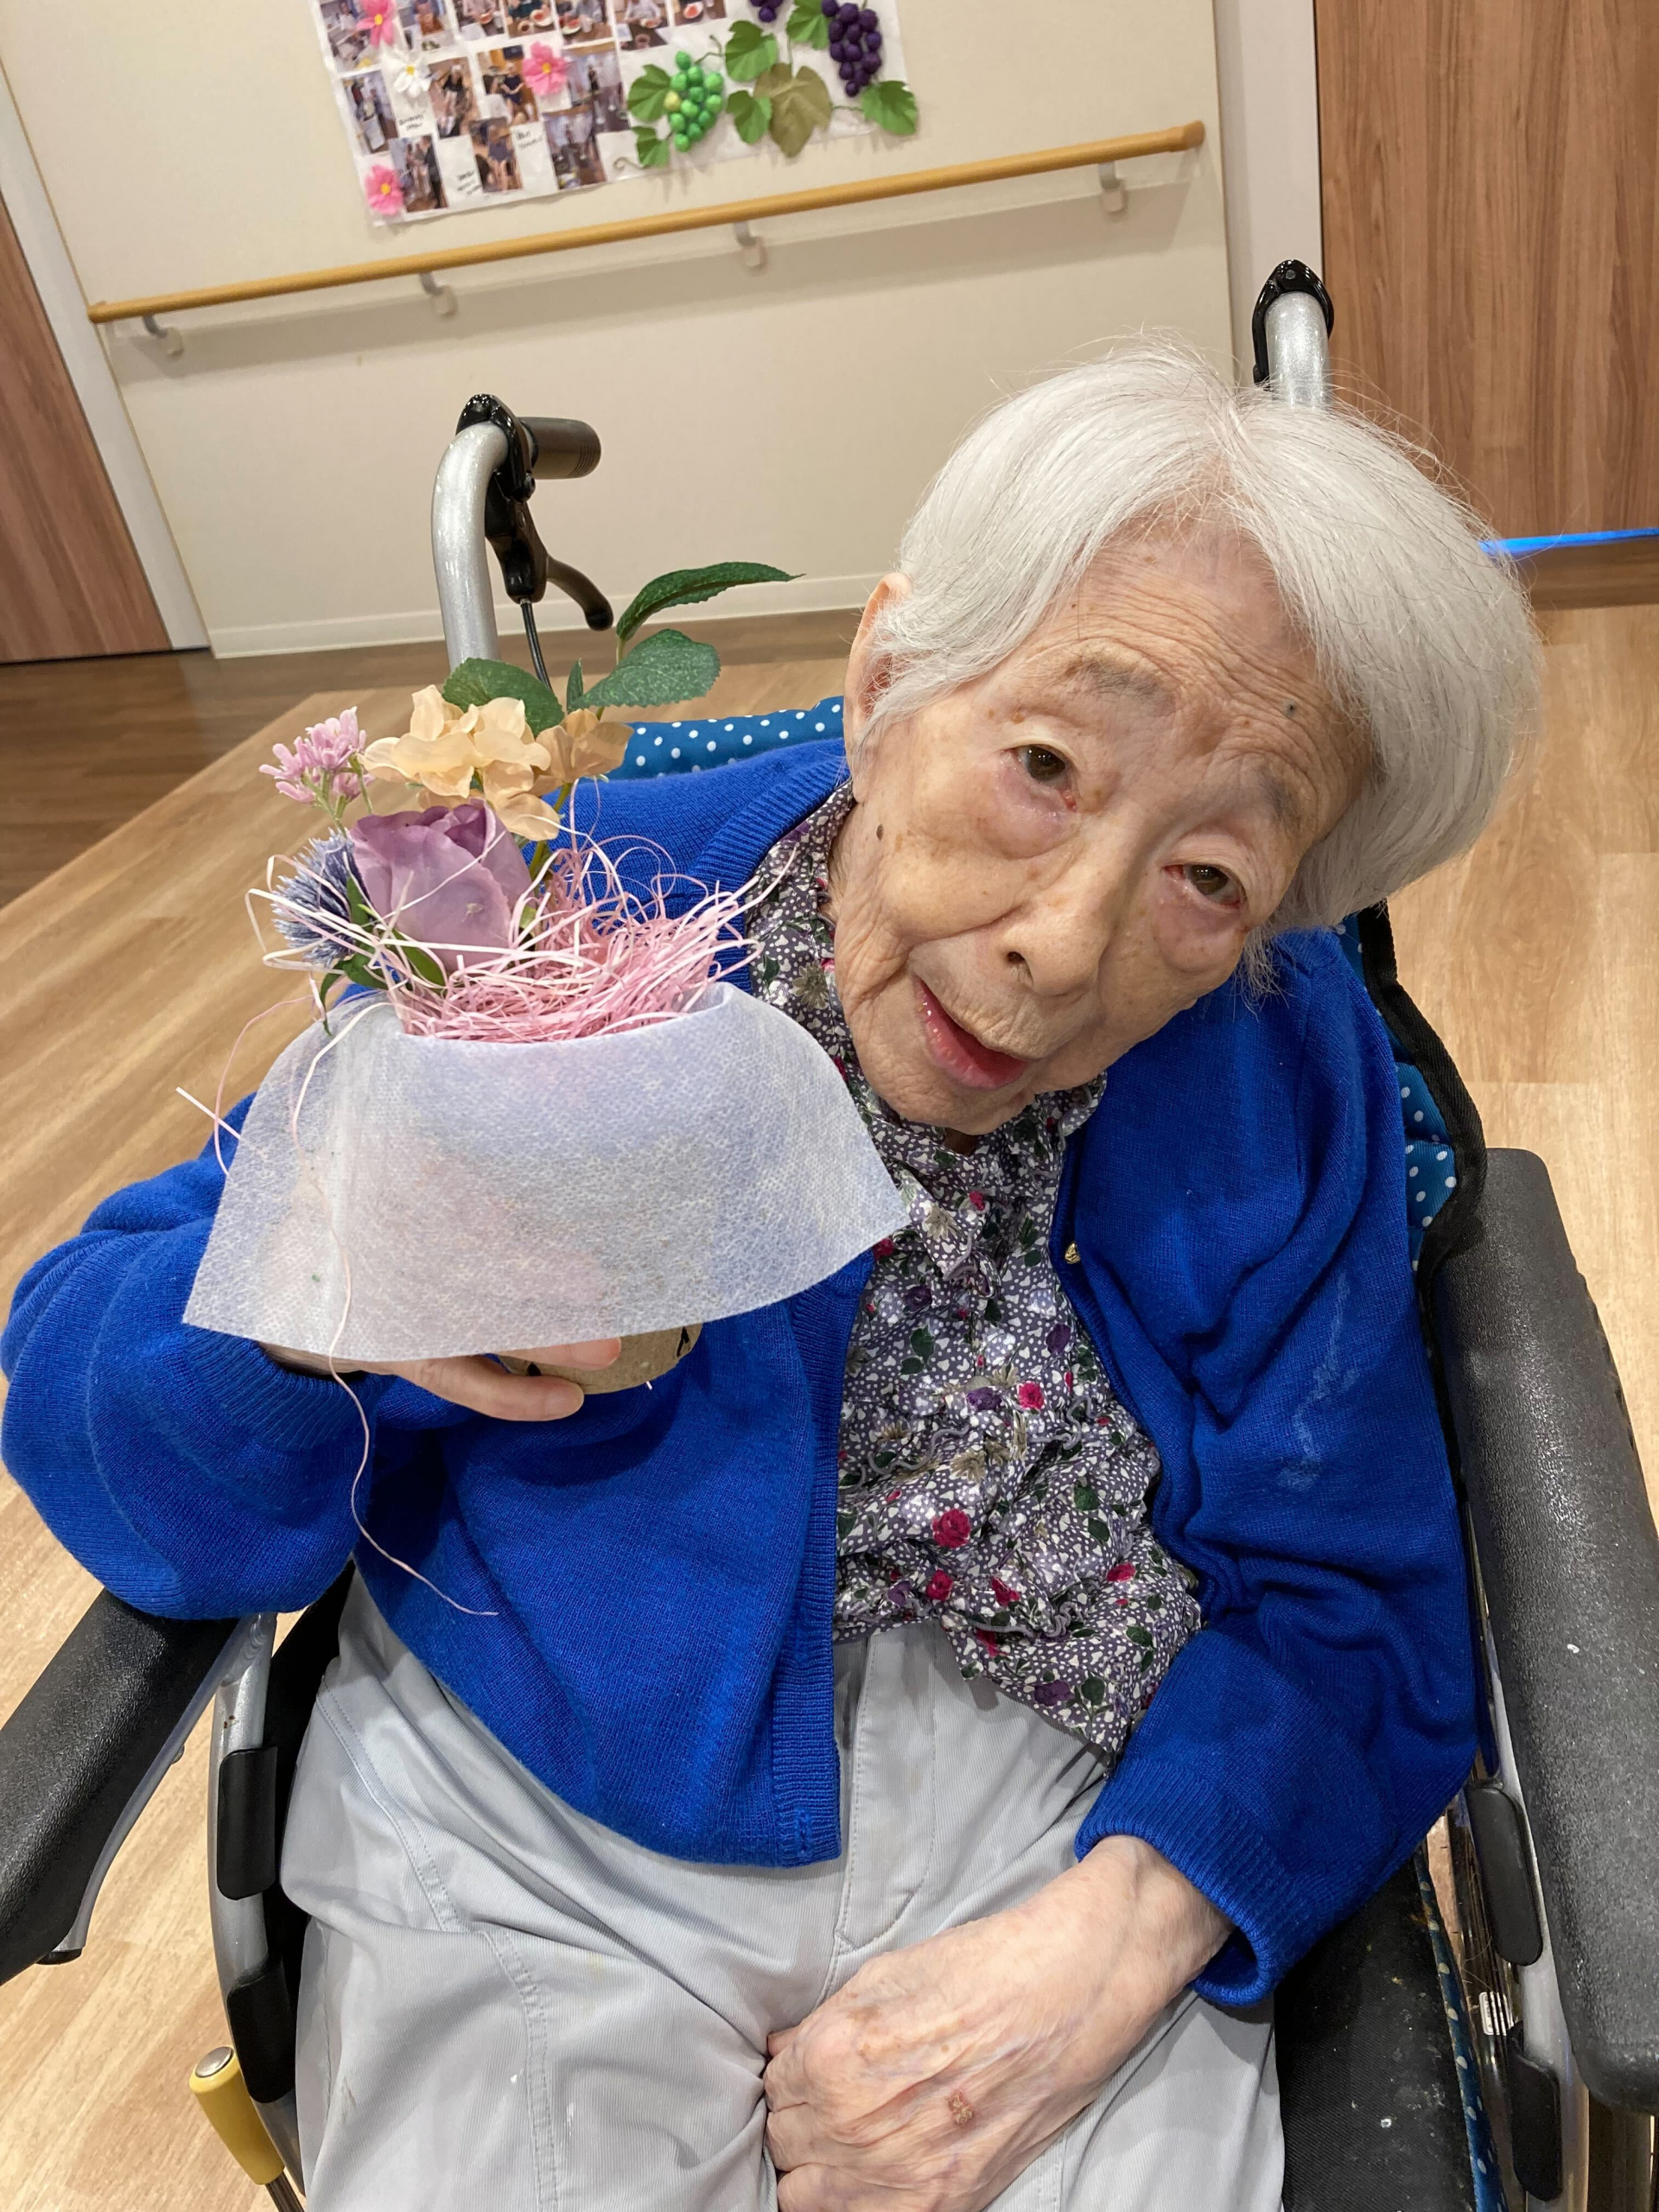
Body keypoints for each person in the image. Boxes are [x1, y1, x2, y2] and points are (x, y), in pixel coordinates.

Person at [2, 346, 1538, 2211]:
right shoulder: (561, 911)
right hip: (544, 1782)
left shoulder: (1282, 1069)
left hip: (1073, 1797)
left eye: (1210, 875)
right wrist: (329, 1305)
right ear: (886, 682)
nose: (1063, 947)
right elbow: (89, 1390)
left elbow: (1358, 1595)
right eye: (1044, 766)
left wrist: (1117, 1936)